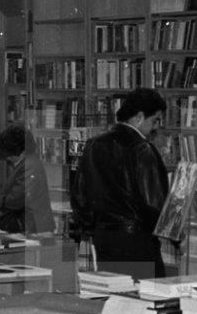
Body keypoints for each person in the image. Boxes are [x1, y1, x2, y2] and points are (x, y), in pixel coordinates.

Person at [71, 88, 170, 280]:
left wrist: (92, 227)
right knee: (147, 294)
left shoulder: (93, 144)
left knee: (116, 292)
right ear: (139, 117)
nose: (155, 127)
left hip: (104, 239)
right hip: (137, 241)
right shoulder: (142, 149)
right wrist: (173, 234)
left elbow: (80, 196)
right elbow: (153, 203)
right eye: (154, 120)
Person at [0, 125, 54, 235]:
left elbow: (16, 199)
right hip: (30, 225)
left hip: (32, 228)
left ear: (18, 151)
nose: (8, 158)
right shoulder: (27, 163)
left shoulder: (29, 166)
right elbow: (17, 188)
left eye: (9, 155)